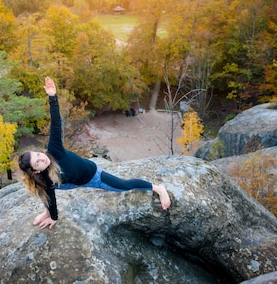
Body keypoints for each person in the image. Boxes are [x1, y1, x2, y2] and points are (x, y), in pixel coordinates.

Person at [18, 77, 171, 229]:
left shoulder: (54, 150)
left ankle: (157, 188)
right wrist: (53, 216)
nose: (41, 158)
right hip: (70, 181)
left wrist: (52, 96)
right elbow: (50, 196)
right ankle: (47, 212)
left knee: (122, 185)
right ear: (35, 170)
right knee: (43, 188)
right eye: (37, 162)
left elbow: (56, 122)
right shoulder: (43, 178)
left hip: (92, 176)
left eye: (38, 154)